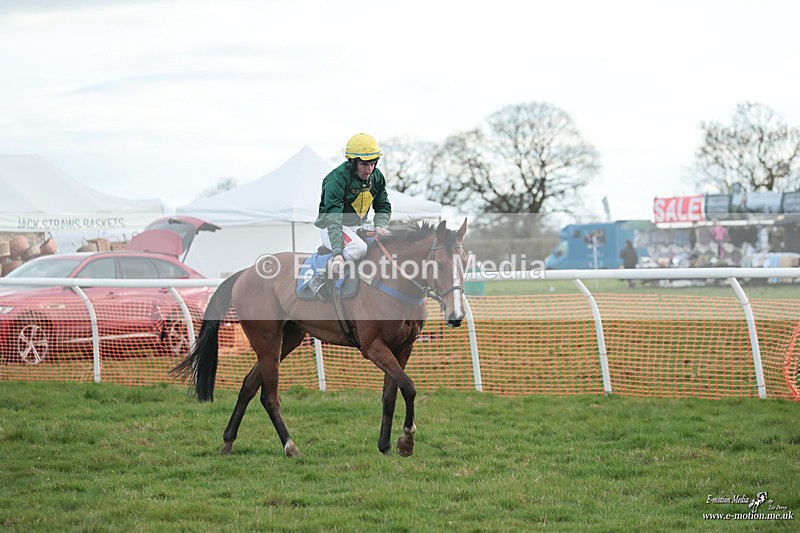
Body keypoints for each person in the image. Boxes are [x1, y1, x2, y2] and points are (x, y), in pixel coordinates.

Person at [309, 133, 392, 297]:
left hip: (358, 226)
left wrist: (380, 225)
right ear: (352, 162)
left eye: (373, 164)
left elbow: (383, 205)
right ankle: (321, 276)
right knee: (359, 248)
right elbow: (334, 220)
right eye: (364, 164)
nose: (369, 169)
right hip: (332, 226)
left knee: (389, 242)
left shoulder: (376, 177)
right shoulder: (336, 180)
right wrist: (338, 253)